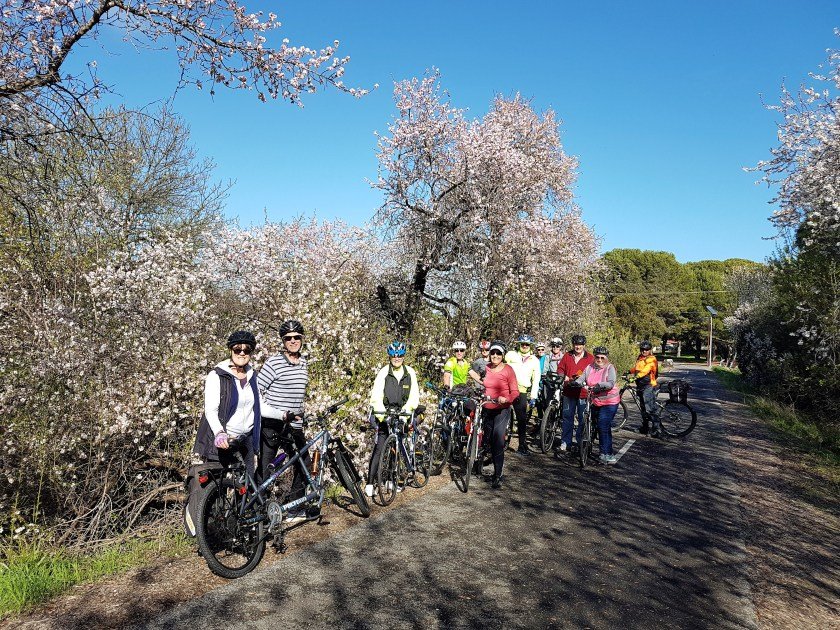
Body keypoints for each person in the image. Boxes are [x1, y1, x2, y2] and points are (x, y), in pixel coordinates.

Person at [187, 330, 283, 535]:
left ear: (251, 352)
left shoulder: (252, 376)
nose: (242, 352)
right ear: (231, 350)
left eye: (246, 349)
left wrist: (283, 415)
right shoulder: (217, 376)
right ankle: (211, 532)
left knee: (245, 484)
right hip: (223, 438)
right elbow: (211, 410)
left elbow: (261, 407)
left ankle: (242, 525)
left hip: (246, 439)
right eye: (237, 349)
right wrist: (220, 433)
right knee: (217, 486)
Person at [257, 319, 311, 524]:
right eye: (288, 338)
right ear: (283, 341)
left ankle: (295, 507)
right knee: (265, 469)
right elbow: (257, 392)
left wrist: (300, 413)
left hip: (294, 426)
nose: (293, 341)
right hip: (273, 425)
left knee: (303, 462)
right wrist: (276, 413)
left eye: (297, 337)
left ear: (302, 339)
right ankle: (259, 514)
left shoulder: (304, 363)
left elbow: (299, 394)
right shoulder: (273, 363)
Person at [365, 341, 421, 497]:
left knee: (396, 446)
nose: (397, 358)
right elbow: (376, 395)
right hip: (385, 414)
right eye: (394, 356)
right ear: (389, 356)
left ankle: (391, 478)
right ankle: (370, 483)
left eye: (400, 355)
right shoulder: (383, 372)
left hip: (402, 414)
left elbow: (414, 396)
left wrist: (406, 411)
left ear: (404, 356)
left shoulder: (410, 372)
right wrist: (382, 415)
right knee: (379, 448)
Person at [481, 341, 519, 488]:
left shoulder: (508, 370)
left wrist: (507, 399)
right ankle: (479, 465)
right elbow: (479, 382)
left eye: (498, 353)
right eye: (492, 353)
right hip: (486, 407)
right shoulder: (486, 368)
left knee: (497, 441)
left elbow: (515, 392)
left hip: (502, 409)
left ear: (503, 355)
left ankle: (497, 475)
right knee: (485, 439)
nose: (495, 356)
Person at [574, 346, 619, 464]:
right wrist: (576, 383)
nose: (599, 360)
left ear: (606, 358)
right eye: (597, 357)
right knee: (590, 421)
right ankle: (587, 441)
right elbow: (582, 378)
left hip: (609, 402)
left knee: (603, 425)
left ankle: (606, 453)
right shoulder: (590, 367)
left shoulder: (610, 368)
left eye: (602, 358)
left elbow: (610, 383)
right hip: (595, 400)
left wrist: (600, 385)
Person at [557, 334, 595, 454]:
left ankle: (580, 442)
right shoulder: (567, 356)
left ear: (584, 345)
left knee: (583, 419)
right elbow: (560, 369)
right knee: (567, 417)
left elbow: (595, 371)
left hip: (583, 393)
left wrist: (588, 380)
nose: (577, 347)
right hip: (569, 391)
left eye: (580, 344)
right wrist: (562, 377)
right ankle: (565, 442)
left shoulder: (590, 358)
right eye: (575, 344)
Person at [504, 334, 541, 455]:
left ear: (530, 346)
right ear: (518, 344)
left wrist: (533, 396)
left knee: (521, 419)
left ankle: (522, 445)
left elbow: (536, 379)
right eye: (522, 344)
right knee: (500, 415)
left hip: (522, 391)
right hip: (506, 389)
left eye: (527, 344)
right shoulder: (510, 355)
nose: (524, 346)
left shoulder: (534, 360)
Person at [630, 340, 662, 438]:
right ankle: (645, 427)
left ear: (650, 350)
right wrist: (628, 372)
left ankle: (657, 430)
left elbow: (645, 370)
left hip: (649, 385)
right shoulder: (640, 358)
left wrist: (636, 376)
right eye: (642, 349)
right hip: (640, 385)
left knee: (650, 408)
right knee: (643, 408)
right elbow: (636, 368)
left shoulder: (652, 359)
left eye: (646, 349)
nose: (644, 351)